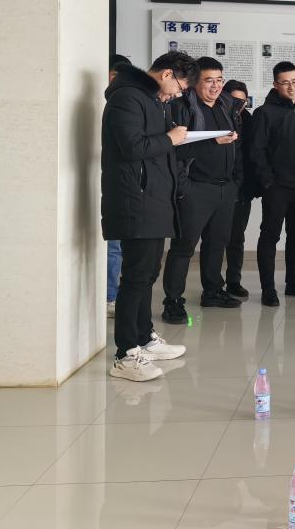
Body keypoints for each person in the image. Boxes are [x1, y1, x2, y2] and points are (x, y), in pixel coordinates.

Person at [101, 52, 195, 381]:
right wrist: (170, 137)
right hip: (134, 199)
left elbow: (156, 148)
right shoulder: (127, 97)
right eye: (181, 86)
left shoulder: (151, 99)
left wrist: (178, 138)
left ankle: (144, 338)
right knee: (136, 277)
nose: (178, 94)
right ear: (167, 74)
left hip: (153, 199)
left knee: (147, 273)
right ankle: (126, 354)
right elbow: (131, 147)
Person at [159, 57, 242, 324]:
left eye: (219, 80)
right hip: (195, 187)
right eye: (209, 81)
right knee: (183, 247)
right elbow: (174, 149)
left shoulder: (227, 105)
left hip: (224, 188)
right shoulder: (181, 108)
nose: (216, 86)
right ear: (195, 82)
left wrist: (235, 182)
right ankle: (173, 301)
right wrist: (212, 143)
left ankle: (213, 291)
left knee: (217, 244)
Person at [250, 61, 295, 306]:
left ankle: (294, 283)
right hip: (278, 187)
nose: (292, 87)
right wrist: (268, 182)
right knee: (270, 236)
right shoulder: (264, 113)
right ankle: (268, 289)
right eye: (285, 83)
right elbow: (257, 151)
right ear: (275, 84)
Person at [223, 80, 256, 299]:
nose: (238, 105)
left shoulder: (250, 122)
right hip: (219, 187)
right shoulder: (217, 119)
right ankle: (213, 284)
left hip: (242, 189)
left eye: (242, 101)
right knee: (215, 239)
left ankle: (234, 281)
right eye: (233, 100)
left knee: (236, 238)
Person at [106, 53, 131, 318]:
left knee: (116, 247)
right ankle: (109, 297)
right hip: (105, 182)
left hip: (118, 185)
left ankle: (110, 296)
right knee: (113, 247)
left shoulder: (123, 102)